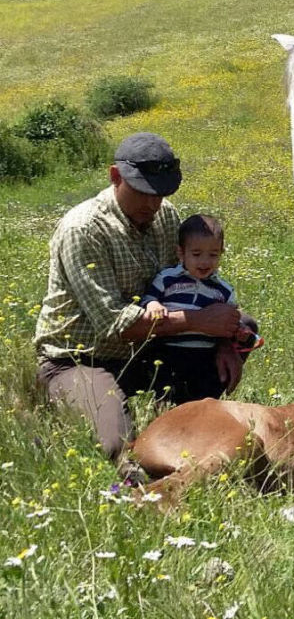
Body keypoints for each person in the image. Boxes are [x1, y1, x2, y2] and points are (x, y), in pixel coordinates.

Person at [34, 132, 253, 466]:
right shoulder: (84, 229)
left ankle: (191, 415)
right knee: (115, 448)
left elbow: (184, 284)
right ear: (115, 177)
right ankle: (70, 405)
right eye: (143, 191)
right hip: (84, 357)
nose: (152, 203)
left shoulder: (165, 216)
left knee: (242, 326)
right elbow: (114, 325)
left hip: (150, 350)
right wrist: (199, 323)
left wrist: (224, 341)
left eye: (161, 193)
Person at [142, 213, 263, 357]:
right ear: (181, 253)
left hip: (205, 355)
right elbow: (148, 298)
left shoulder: (223, 290)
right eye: (197, 254)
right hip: (166, 351)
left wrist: (239, 330)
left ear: (221, 253)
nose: (205, 262)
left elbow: (228, 320)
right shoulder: (167, 278)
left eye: (213, 255)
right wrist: (153, 304)